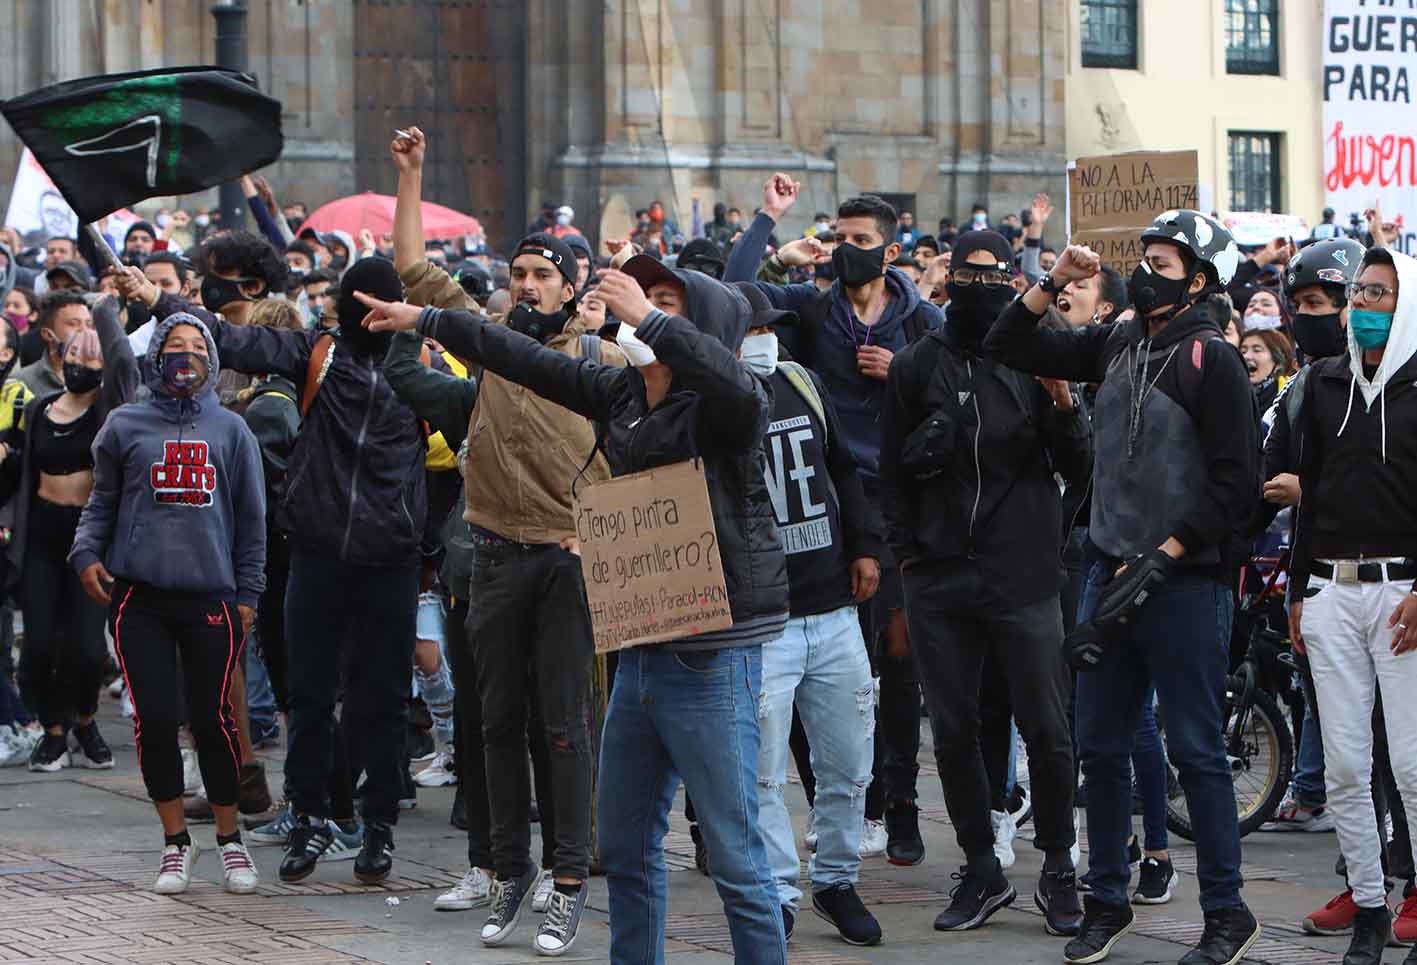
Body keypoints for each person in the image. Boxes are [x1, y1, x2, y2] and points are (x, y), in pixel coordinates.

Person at [356, 251, 790, 965]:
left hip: (712, 653)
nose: (637, 310)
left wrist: (648, 317)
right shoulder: (620, 395)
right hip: (640, 648)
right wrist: (427, 317)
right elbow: (521, 358)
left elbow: (733, 383)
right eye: (640, 296)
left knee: (738, 857)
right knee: (625, 849)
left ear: (701, 327)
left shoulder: (726, 409)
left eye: (665, 302)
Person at [984, 211, 1262, 965]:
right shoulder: (1115, 340)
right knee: (1098, 747)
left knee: (1196, 751)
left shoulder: (1214, 360)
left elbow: (1237, 483)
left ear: (1199, 279)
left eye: (1163, 260)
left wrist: (1168, 553)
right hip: (1105, 574)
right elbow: (1008, 342)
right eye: (1140, 256)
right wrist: (1052, 280)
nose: (1143, 269)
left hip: (1182, 584)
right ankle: (1106, 898)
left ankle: (1226, 910)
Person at [115, 245, 431, 889]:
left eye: (381, 305)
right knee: (309, 697)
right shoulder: (318, 353)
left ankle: (377, 828)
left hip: (390, 559)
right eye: (358, 303)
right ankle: (309, 817)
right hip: (317, 552)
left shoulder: (421, 367)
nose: (368, 316)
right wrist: (157, 302)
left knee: (382, 701)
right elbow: (230, 338)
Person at [382, 125, 622, 955]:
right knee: (494, 722)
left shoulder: (597, 356)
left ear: (569, 285)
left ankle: (566, 883)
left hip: (564, 560)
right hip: (490, 553)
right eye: (517, 273)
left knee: (562, 725)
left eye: (541, 274)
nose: (525, 284)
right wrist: (410, 174)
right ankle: (507, 869)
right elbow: (412, 267)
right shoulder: (484, 337)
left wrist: (600, 538)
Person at [880, 230, 1091, 938]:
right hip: (939, 578)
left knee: (1046, 727)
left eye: (994, 274)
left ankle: (1058, 862)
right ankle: (980, 865)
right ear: (946, 284)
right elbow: (890, 473)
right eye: (967, 275)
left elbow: (1080, 466)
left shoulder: (1034, 361)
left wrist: (1063, 406)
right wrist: (910, 560)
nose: (981, 286)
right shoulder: (914, 367)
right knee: (953, 732)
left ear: (1012, 281)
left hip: (1022, 574)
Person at [726, 178, 942, 866]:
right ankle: (840, 797)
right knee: (808, 658)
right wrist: (770, 228)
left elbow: (957, 397)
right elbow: (731, 293)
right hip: (824, 509)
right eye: (839, 238)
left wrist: (902, 372)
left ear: (890, 249)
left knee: (897, 661)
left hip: (903, 506)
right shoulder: (810, 312)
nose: (847, 251)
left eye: (861, 241)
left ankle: (899, 806)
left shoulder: (921, 325)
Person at [70, 312, 265, 896]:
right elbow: (100, 501)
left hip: (212, 597)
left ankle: (231, 839)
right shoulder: (125, 425)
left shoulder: (231, 430)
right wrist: (85, 554)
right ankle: (176, 842)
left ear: (212, 359)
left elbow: (252, 521)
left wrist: (249, 594)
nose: (185, 356)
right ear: (154, 356)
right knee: (155, 722)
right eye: (173, 346)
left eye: (196, 347)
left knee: (214, 721)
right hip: (139, 600)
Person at [738, 287, 884, 947]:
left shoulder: (800, 380)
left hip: (832, 610)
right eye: (752, 327)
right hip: (761, 622)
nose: (766, 336)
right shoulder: (706, 400)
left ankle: (835, 877)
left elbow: (843, 468)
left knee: (849, 759)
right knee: (763, 769)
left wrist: (864, 544)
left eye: (771, 325)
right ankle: (776, 891)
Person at [1288, 245, 1417, 965]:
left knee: (1410, 763)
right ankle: (1367, 905)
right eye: (1359, 293)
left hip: (1402, 595)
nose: (1364, 306)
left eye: (1380, 295)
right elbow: (1307, 491)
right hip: (1330, 591)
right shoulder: (1323, 384)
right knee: (1342, 763)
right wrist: (1297, 590)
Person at [9, 295, 137, 772]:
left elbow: (124, 364)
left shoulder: (113, 410)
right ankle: (54, 731)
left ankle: (85, 719)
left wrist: (105, 311)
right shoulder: (40, 409)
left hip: (90, 542)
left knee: (87, 648)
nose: (80, 365)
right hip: (42, 536)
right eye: (73, 356)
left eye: (91, 358)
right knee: (40, 645)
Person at [16, 291, 94, 398]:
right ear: (47, 334)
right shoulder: (21, 383)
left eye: (89, 324)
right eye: (73, 324)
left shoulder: (102, 380)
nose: (85, 331)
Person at [1240, 328, 1293, 416]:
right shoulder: (1231, 394)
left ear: (1278, 362)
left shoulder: (1290, 395)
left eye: (1257, 350)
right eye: (1243, 351)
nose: (1246, 356)